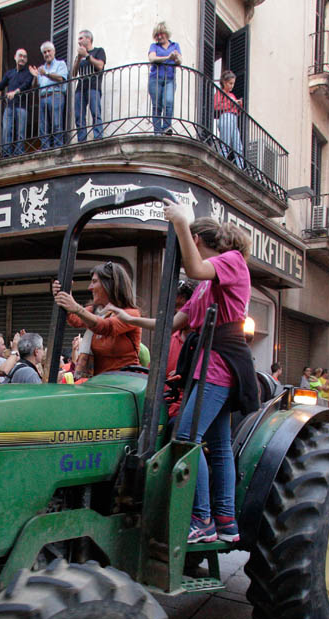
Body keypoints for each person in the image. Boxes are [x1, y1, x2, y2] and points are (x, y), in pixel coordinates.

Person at [112, 204, 258, 544]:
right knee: (218, 444)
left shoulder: (231, 261)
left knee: (185, 438)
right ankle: (226, 521)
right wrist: (130, 319)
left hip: (219, 365)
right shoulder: (205, 286)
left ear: (195, 239)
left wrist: (180, 221)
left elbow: (194, 267)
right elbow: (173, 323)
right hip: (208, 364)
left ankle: (202, 518)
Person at [52, 261, 142, 375]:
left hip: (125, 379)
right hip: (100, 380)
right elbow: (75, 319)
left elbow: (106, 327)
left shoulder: (131, 314)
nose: (90, 287)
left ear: (109, 285)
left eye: (94, 282)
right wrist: (63, 295)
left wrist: (76, 308)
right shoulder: (95, 311)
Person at [33, 41, 69, 149]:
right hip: (43, 97)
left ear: (54, 51)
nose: (47, 54)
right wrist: (35, 76)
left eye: (49, 51)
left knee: (56, 124)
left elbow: (61, 78)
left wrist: (46, 74)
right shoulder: (41, 68)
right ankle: (45, 148)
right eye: (44, 52)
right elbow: (35, 85)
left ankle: (58, 147)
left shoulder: (60, 64)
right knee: (43, 126)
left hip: (56, 95)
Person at [147, 22, 181, 134]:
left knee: (169, 102)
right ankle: (157, 131)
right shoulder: (154, 46)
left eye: (161, 34)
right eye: (157, 35)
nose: (159, 37)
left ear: (166, 33)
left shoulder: (175, 45)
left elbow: (180, 61)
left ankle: (166, 128)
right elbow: (152, 58)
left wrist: (176, 58)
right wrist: (168, 57)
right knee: (157, 106)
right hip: (155, 79)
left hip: (169, 79)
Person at [73, 30, 106, 141]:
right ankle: (81, 140)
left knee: (95, 113)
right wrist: (79, 58)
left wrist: (87, 56)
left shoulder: (98, 51)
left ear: (88, 39)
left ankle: (98, 137)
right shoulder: (79, 56)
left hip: (93, 86)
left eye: (81, 38)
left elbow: (100, 66)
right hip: (80, 88)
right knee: (79, 116)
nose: (78, 41)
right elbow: (74, 73)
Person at [213, 69, 244, 165]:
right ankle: (220, 164)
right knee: (225, 144)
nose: (232, 86)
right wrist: (232, 103)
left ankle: (240, 167)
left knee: (238, 146)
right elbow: (216, 107)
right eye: (230, 83)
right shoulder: (219, 93)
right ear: (224, 82)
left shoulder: (232, 95)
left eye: (233, 83)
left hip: (234, 119)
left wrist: (239, 105)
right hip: (225, 117)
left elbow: (236, 110)